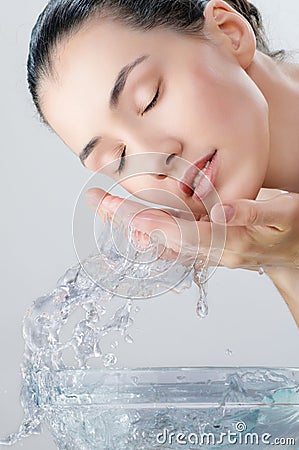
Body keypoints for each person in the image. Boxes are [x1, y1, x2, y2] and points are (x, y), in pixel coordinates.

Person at [27, 0, 299, 326]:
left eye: (150, 98)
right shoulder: (269, 226)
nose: (156, 158)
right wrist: (282, 258)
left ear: (230, 34)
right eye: (119, 158)